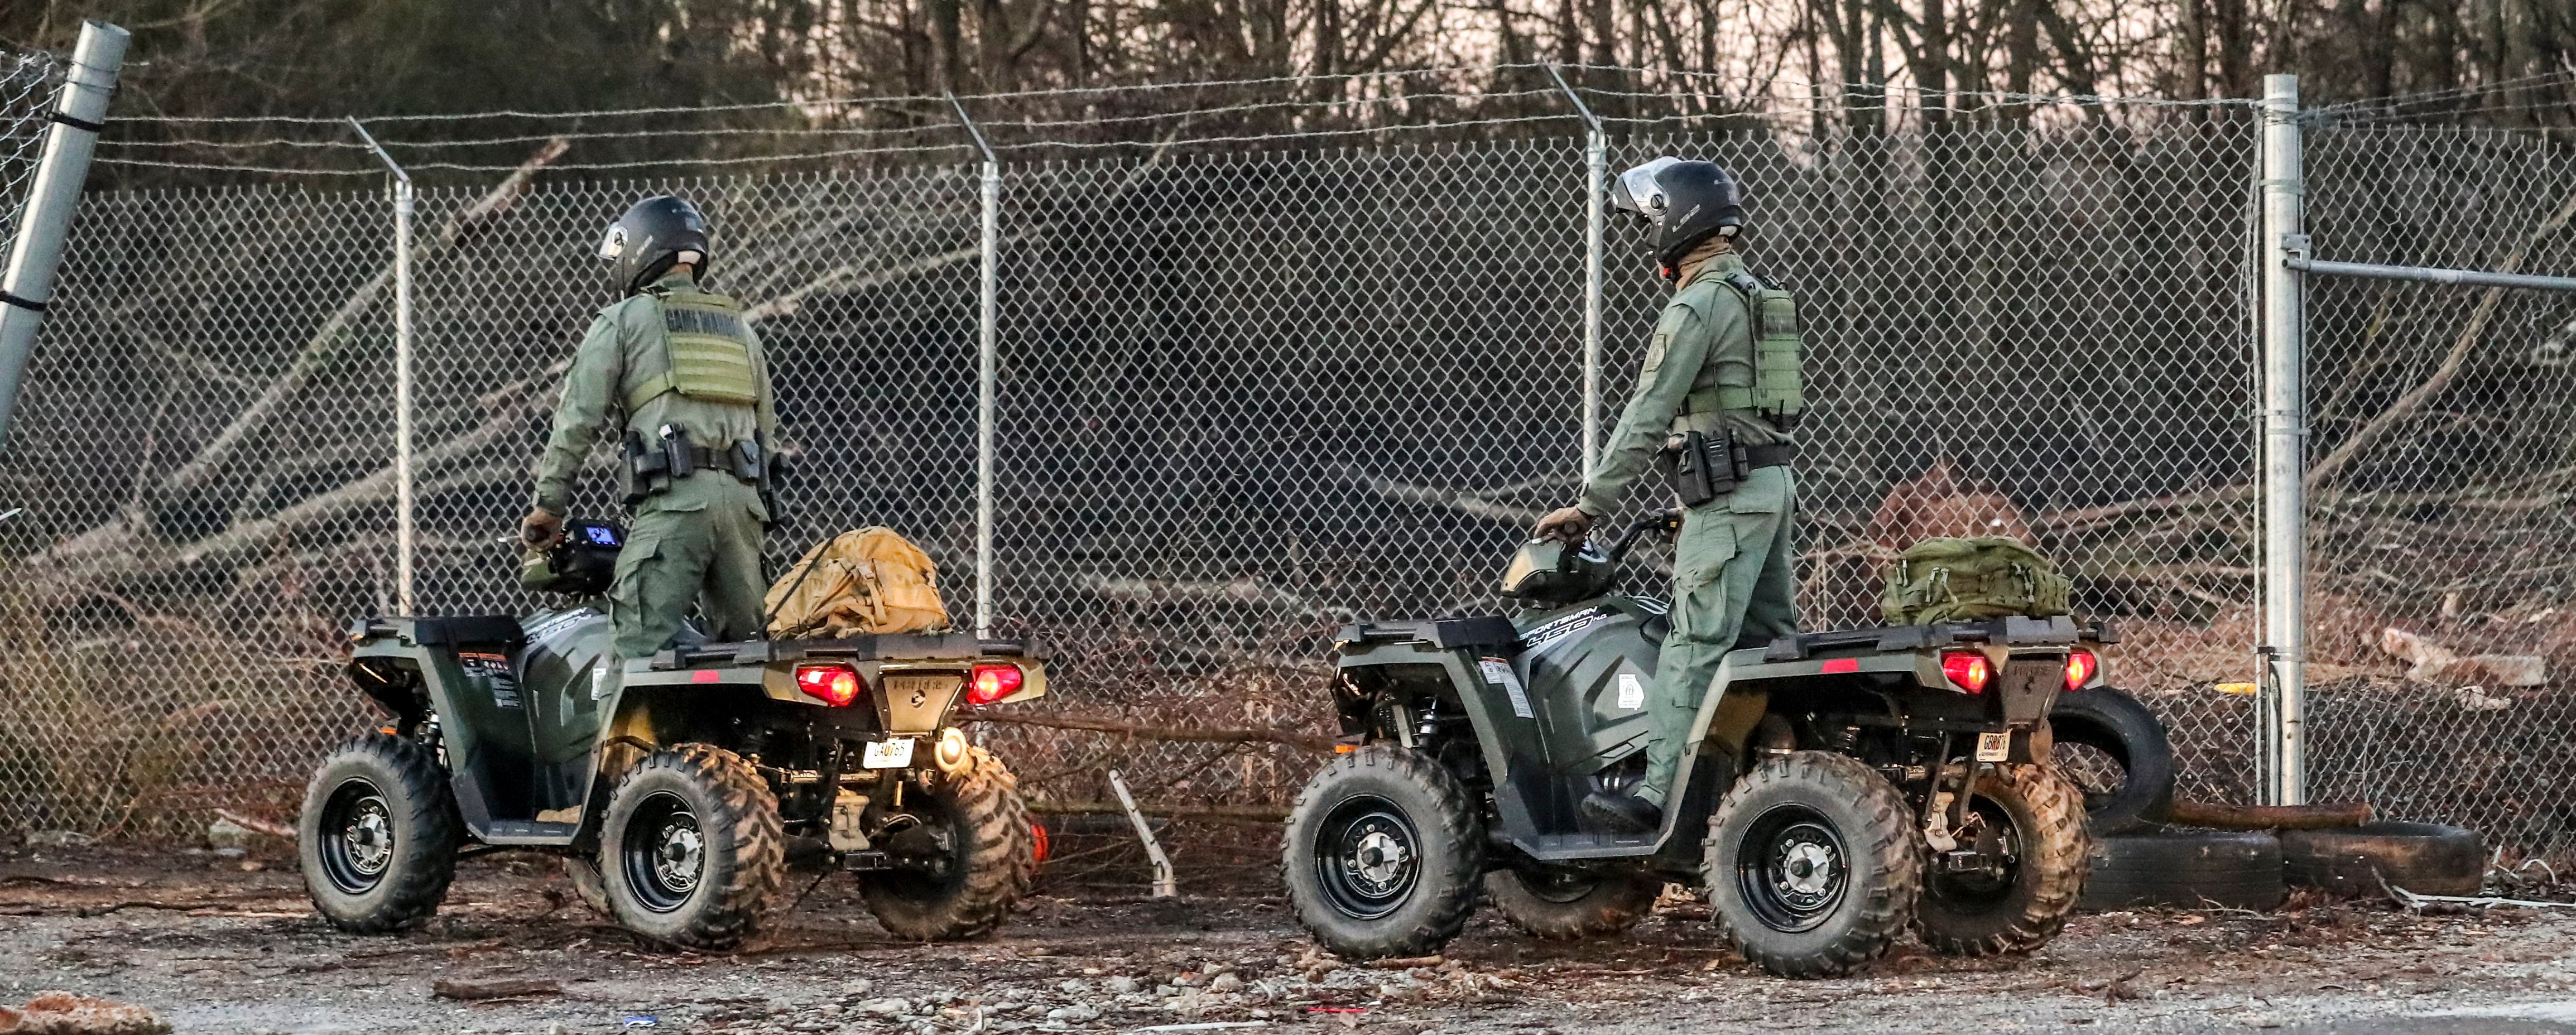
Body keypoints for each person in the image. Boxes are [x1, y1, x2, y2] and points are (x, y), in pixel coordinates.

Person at [1534, 158, 1804, 834]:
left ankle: (1657, 797)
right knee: (1769, 644)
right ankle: (1791, 780)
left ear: (1673, 220)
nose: (1641, 235)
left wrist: (1591, 504)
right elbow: (1747, 408)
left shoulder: (1697, 303)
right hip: (1769, 486)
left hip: (1730, 497)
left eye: (1646, 221)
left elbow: (1648, 411)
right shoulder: (1755, 292)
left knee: (1693, 645)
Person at [521, 195, 780, 658]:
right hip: (744, 514)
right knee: (750, 662)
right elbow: (765, 435)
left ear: (641, 249)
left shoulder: (622, 321)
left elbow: (577, 421)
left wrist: (548, 508)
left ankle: (623, 736)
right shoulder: (742, 330)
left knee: (636, 656)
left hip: (675, 508)